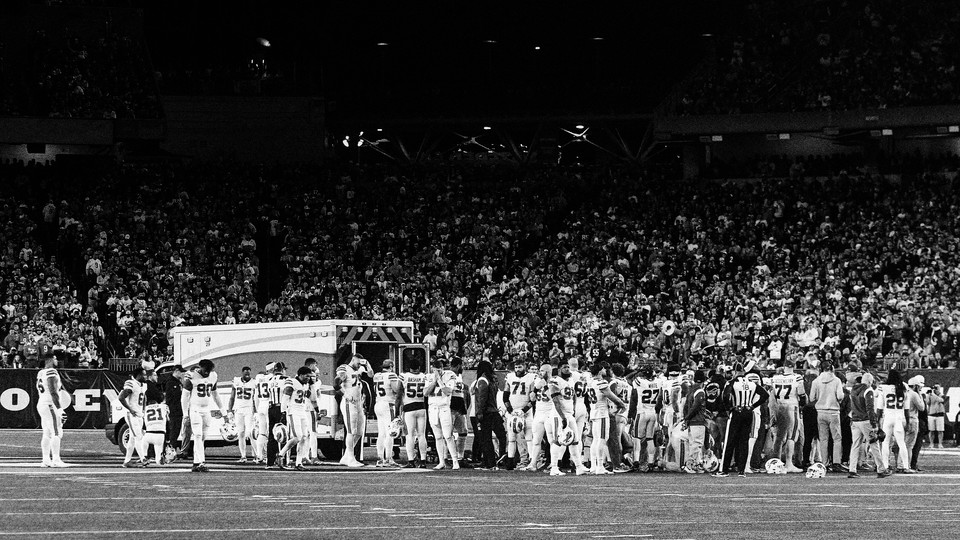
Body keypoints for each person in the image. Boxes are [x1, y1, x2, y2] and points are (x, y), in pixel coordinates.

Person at [715, 364, 769, 478]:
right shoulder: (752, 383)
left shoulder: (732, 383)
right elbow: (765, 395)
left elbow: (725, 396)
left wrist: (728, 409)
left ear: (735, 371)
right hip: (748, 412)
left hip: (737, 411)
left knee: (729, 441)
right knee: (744, 441)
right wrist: (753, 406)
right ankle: (741, 470)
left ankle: (723, 470)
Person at [182, 359, 226, 473]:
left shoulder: (213, 375)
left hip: (206, 409)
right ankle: (201, 462)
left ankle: (196, 462)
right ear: (200, 367)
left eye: (209, 370)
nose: (207, 373)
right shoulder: (191, 376)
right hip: (195, 409)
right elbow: (184, 397)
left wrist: (223, 411)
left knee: (203, 437)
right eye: (205, 370)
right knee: (197, 435)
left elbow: (216, 395)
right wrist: (185, 414)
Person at [545, 361, 588, 476]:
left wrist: (572, 410)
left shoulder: (570, 381)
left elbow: (573, 396)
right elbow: (555, 400)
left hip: (569, 414)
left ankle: (579, 467)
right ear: (559, 369)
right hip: (558, 415)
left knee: (575, 440)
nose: (567, 369)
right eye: (564, 367)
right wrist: (562, 416)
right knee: (557, 441)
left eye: (568, 367)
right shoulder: (555, 381)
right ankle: (554, 467)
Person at [587, 361, 627, 474]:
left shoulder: (590, 382)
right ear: (600, 371)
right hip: (602, 413)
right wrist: (621, 404)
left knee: (595, 440)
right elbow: (611, 396)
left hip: (594, 412)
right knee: (602, 439)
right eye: (603, 369)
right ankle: (599, 466)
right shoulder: (601, 382)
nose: (606, 370)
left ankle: (594, 466)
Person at [335, 353, 372, 467]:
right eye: (358, 361)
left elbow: (371, 375)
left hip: (358, 403)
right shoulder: (344, 368)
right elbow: (336, 384)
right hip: (349, 402)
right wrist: (345, 395)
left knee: (360, 432)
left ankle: (346, 456)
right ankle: (351, 458)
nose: (359, 364)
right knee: (351, 431)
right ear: (353, 359)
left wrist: (368, 365)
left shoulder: (360, 368)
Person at [809, 362, 846, 472]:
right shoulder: (836, 381)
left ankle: (824, 463)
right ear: (832, 368)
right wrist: (838, 400)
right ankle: (836, 462)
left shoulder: (816, 381)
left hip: (820, 412)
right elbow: (840, 395)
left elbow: (811, 398)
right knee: (837, 438)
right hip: (833, 412)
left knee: (823, 439)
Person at [277, 367, 316, 471]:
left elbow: (309, 397)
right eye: (307, 376)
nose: (309, 378)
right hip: (293, 412)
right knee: (297, 437)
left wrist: (312, 385)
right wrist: (283, 412)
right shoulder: (292, 382)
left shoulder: (306, 384)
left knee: (304, 437)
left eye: (310, 376)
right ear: (300, 375)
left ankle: (298, 463)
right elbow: (285, 397)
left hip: (302, 411)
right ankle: (280, 455)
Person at [424, 358, 460, 470]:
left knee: (448, 435)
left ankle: (455, 460)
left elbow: (448, 391)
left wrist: (439, 380)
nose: (436, 372)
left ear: (442, 369)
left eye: (438, 370)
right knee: (438, 437)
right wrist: (434, 381)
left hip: (444, 407)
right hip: (433, 408)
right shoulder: (429, 377)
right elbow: (425, 393)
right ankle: (441, 461)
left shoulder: (450, 375)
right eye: (435, 370)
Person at [770, 361, 806, 473]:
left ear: (784, 367)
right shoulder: (797, 378)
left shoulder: (775, 378)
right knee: (792, 436)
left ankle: (776, 463)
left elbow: (772, 395)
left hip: (779, 407)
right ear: (793, 367)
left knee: (779, 436)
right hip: (792, 407)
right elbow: (802, 395)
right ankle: (789, 463)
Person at [848, 372, 884, 478]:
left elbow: (852, 406)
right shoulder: (868, 390)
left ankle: (852, 469)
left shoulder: (853, 390)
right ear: (869, 381)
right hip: (865, 420)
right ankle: (881, 469)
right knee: (874, 444)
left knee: (855, 445)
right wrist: (874, 424)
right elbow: (870, 408)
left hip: (855, 420)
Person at [878, 369, 914, 475]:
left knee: (885, 443)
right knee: (901, 443)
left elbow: (879, 408)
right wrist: (907, 422)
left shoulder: (883, 388)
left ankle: (885, 466)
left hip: (888, 417)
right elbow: (906, 409)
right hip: (899, 417)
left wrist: (877, 420)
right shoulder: (904, 387)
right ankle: (906, 466)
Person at [503, 360, 535, 469]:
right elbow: (505, 396)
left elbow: (533, 399)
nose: (517, 370)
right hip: (513, 413)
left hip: (526, 413)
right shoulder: (510, 377)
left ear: (525, 367)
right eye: (516, 367)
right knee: (511, 438)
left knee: (529, 437)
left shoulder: (531, 377)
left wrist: (524, 410)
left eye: (520, 367)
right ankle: (510, 463)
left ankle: (531, 462)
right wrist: (510, 410)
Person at [474, 359, 506, 471]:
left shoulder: (482, 380)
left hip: (486, 413)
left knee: (485, 439)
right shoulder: (493, 380)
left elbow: (482, 397)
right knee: (502, 435)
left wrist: (479, 412)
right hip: (494, 411)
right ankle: (503, 456)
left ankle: (490, 463)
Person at [36, 353, 67, 467]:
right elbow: (53, 390)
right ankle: (56, 459)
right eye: (55, 358)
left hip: (42, 403)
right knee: (57, 432)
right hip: (50, 404)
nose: (56, 360)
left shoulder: (41, 372)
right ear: (49, 360)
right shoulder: (51, 371)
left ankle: (45, 460)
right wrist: (59, 409)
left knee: (47, 433)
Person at [630, 365, 662, 472]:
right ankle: (651, 462)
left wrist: (638, 371)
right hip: (652, 412)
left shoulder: (640, 381)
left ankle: (636, 461)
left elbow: (629, 379)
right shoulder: (658, 381)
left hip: (642, 412)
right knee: (650, 438)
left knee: (637, 438)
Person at [373, 358, 402, 467]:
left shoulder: (377, 375)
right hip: (388, 403)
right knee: (391, 432)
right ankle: (389, 459)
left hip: (378, 403)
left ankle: (380, 458)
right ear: (391, 366)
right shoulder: (391, 375)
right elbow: (395, 389)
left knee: (381, 433)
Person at [400, 357, 429, 467]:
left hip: (409, 407)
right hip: (421, 406)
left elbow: (399, 392)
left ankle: (411, 461)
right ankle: (423, 461)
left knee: (410, 436)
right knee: (421, 435)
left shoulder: (404, 376)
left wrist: (399, 409)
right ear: (419, 367)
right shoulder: (424, 377)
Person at [525, 363, 553, 472]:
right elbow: (531, 398)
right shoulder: (536, 381)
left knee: (552, 440)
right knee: (536, 440)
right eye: (540, 370)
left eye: (543, 371)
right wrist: (535, 389)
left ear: (548, 372)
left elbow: (552, 397)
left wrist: (545, 385)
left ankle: (553, 463)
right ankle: (533, 463)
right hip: (539, 413)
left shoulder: (554, 381)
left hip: (550, 413)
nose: (540, 373)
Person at [118, 367, 148, 468]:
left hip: (139, 414)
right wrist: (130, 409)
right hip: (132, 415)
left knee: (132, 438)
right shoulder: (131, 383)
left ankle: (127, 461)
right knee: (138, 437)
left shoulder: (143, 385)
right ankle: (143, 459)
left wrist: (143, 410)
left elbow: (143, 397)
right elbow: (121, 397)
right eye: (144, 374)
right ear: (138, 375)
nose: (145, 376)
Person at [228, 366, 259, 463]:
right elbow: (232, 397)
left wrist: (256, 411)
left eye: (248, 374)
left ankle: (258, 456)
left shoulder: (254, 382)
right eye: (245, 374)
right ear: (242, 373)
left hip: (248, 410)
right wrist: (229, 410)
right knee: (240, 433)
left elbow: (255, 399)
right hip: (238, 410)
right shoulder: (236, 381)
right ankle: (243, 456)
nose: (247, 375)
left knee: (250, 433)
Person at [681, 370, 708, 474]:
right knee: (697, 444)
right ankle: (690, 464)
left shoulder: (691, 390)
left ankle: (696, 464)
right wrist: (687, 418)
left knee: (694, 443)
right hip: (698, 421)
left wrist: (686, 418)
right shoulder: (700, 391)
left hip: (692, 422)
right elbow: (695, 407)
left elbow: (686, 407)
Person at [265, 362, 288, 467]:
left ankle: (270, 461)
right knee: (284, 434)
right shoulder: (286, 379)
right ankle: (283, 460)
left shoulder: (270, 380)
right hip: (281, 408)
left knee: (271, 435)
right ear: (282, 369)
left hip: (271, 408)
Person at [449, 357, 471, 464]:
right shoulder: (448, 374)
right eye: (461, 366)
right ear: (458, 366)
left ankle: (460, 456)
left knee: (463, 432)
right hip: (450, 407)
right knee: (448, 433)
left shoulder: (459, 376)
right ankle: (448, 456)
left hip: (460, 407)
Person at [142, 383, 169, 466]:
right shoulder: (164, 407)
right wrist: (168, 438)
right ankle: (159, 459)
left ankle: (144, 457)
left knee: (142, 442)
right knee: (158, 450)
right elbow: (168, 421)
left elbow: (143, 423)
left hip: (149, 433)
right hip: (160, 434)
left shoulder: (145, 409)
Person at [163, 366, 186, 461]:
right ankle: (169, 453)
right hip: (174, 411)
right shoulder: (171, 383)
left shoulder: (177, 382)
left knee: (176, 432)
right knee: (173, 432)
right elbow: (174, 397)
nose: (182, 374)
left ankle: (173, 450)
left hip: (178, 410)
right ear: (176, 371)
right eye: (181, 372)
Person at [303, 358, 324, 465]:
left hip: (303, 409)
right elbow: (314, 398)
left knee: (306, 434)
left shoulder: (304, 382)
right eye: (316, 374)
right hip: (310, 409)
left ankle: (304, 456)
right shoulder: (310, 384)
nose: (317, 376)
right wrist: (318, 411)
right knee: (313, 433)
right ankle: (314, 456)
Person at [904, 376, 927, 472]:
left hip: (902, 419)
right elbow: (922, 408)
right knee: (909, 445)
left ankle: (901, 464)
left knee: (903, 444)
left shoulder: (905, 392)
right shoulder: (914, 394)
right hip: (912, 419)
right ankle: (908, 465)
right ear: (916, 386)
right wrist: (921, 395)